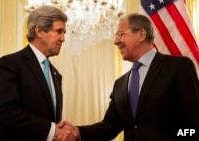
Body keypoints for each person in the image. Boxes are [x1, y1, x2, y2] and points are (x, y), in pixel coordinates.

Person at [58, 13, 199, 141]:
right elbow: (109, 126)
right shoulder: (120, 83)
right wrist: (77, 132)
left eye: (120, 34)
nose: (115, 41)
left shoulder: (178, 66)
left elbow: (194, 123)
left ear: (141, 35)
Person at [0, 5, 76, 141]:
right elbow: (2, 112)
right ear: (39, 31)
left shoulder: (56, 74)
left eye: (64, 32)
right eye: (59, 31)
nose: (63, 38)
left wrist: (58, 131)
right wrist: (51, 130)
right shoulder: (10, 63)